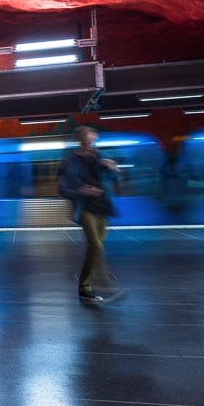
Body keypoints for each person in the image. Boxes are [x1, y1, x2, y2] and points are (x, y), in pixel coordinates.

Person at [58, 125, 121, 304]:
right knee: (95, 245)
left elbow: (116, 178)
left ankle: (90, 284)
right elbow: (62, 188)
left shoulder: (103, 157)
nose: (88, 143)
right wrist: (80, 191)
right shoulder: (69, 161)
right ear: (78, 140)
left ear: (95, 138)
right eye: (85, 140)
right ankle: (93, 283)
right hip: (84, 207)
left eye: (91, 139)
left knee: (94, 247)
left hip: (103, 206)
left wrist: (114, 168)